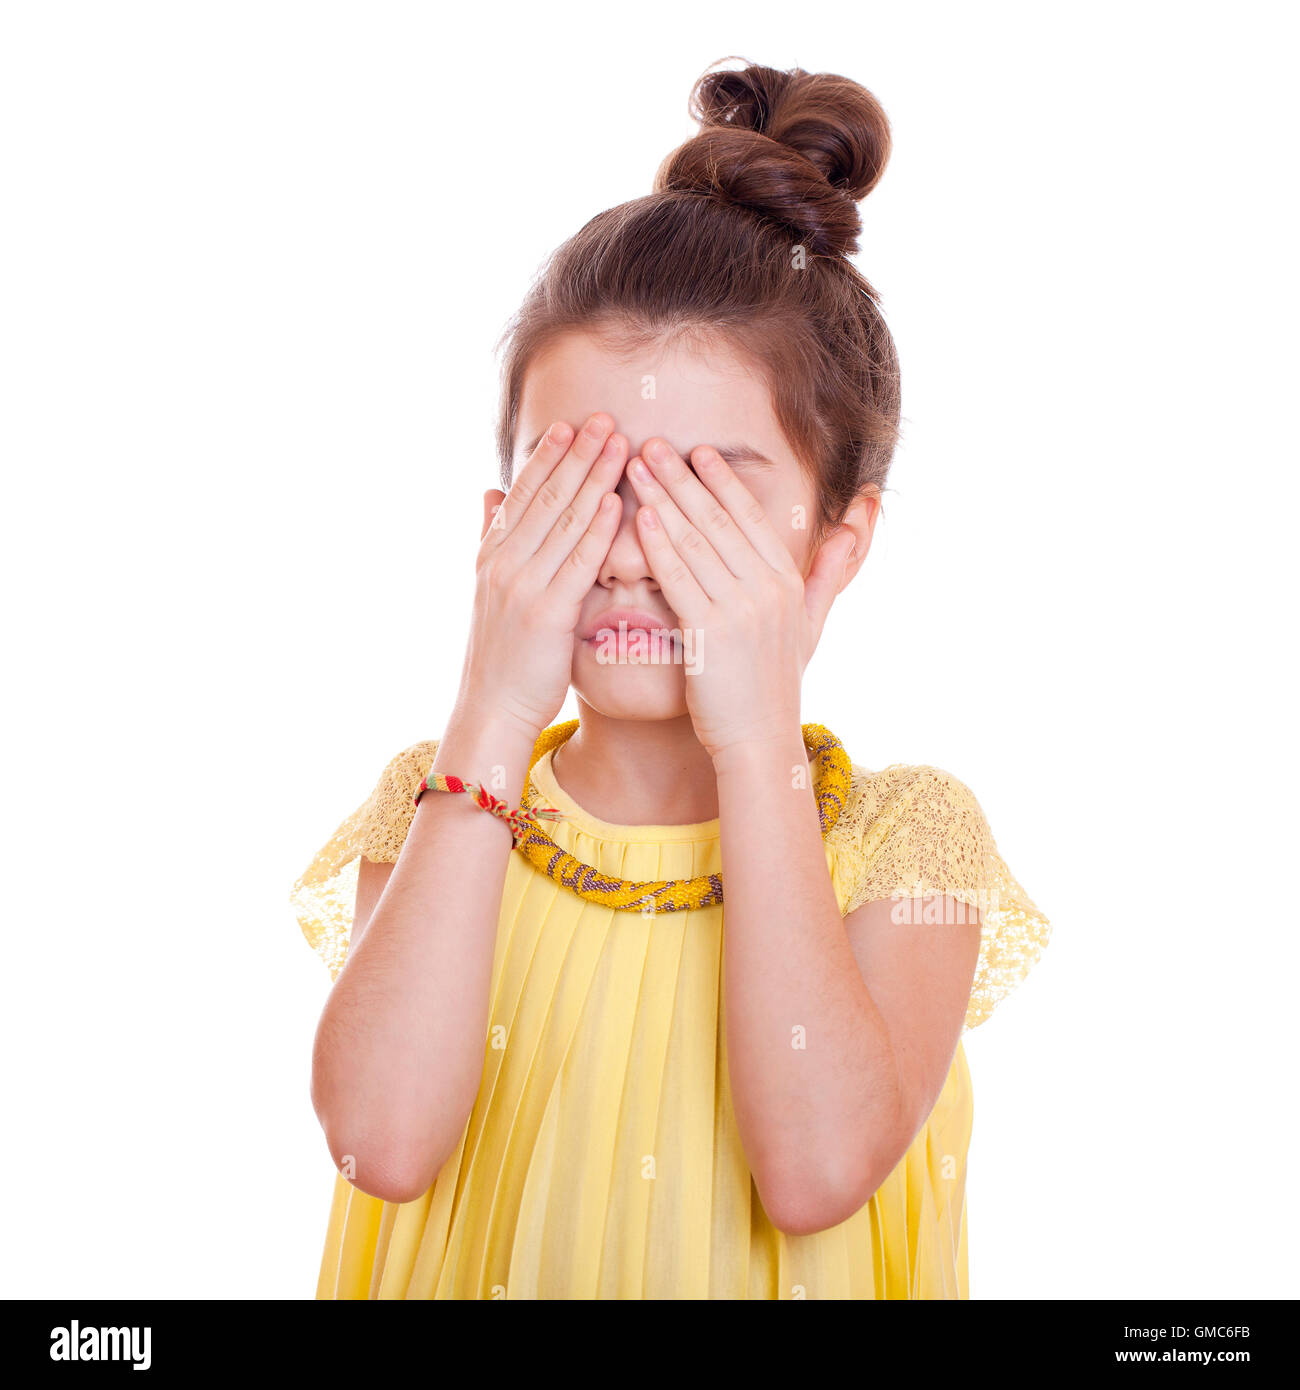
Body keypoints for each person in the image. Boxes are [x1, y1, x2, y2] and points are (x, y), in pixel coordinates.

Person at [291, 59, 1051, 1299]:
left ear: (832, 547)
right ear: (502, 526)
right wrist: (489, 711)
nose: (638, 551)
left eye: (707, 493)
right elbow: (379, 1143)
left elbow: (811, 1173)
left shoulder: (911, 840)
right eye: (584, 485)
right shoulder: (440, 806)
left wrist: (755, 743)